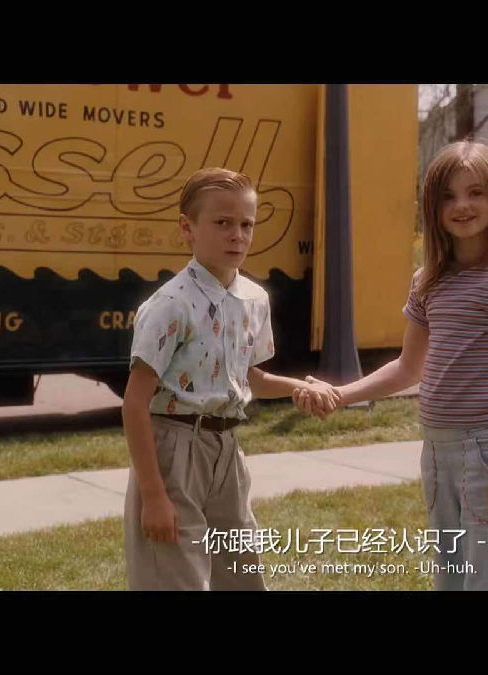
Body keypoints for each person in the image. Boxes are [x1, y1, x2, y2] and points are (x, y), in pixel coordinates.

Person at [295, 141, 488, 591]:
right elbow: (407, 368)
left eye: (475, 192)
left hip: (485, 450)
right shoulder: (427, 280)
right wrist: (340, 394)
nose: (462, 205)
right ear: (432, 206)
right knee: (451, 571)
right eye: (448, 196)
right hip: (435, 448)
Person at [122, 167, 339, 591]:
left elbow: (247, 377)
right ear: (187, 228)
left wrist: (300, 386)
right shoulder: (170, 305)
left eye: (246, 224)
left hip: (227, 451)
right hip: (173, 452)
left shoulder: (254, 300)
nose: (237, 235)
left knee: (241, 573)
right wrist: (153, 494)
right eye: (222, 223)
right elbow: (134, 403)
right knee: (175, 578)